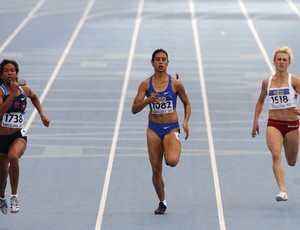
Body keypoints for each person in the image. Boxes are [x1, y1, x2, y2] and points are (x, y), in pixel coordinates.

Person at [131, 49, 191, 214]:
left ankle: (170, 148)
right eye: (157, 59)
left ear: (168, 63)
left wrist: (185, 122)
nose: (160, 62)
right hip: (154, 129)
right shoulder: (145, 85)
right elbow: (134, 109)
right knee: (156, 169)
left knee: (171, 161)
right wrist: (148, 100)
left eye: (163, 59)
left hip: (171, 127)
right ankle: (162, 201)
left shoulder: (176, 84)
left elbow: (187, 103)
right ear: (152, 62)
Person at [0, 59, 50, 214]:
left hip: (17, 135)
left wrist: (42, 115)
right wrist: (12, 93)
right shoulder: (1, 91)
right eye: (6, 71)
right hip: (1, 138)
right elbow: (1, 112)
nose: (10, 73)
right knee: (2, 177)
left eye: (12, 70)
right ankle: (2, 196)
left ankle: (14, 196)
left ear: (17, 73)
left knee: (14, 156)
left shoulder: (24, 89)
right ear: (1, 75)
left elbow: (34, 97)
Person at [252, 46, 300, 202]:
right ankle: (282, 190)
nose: (281, 62)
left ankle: (283, 173)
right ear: (274, 61)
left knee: (291, 161)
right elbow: (260, 101)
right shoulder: (267, 82)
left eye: (284, 60)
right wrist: (255, 122)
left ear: (289, 63)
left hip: (291, 125)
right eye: (279, 59)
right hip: (274, 124)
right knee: (275, 154)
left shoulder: (294, 81)